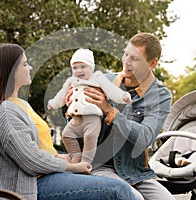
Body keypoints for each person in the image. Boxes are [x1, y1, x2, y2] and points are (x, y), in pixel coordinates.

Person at [0, 43, 136, 200]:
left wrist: (70, 158)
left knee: (119, 186)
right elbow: (31, 161)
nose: (30, 67)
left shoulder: (21, 105)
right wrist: (73, 166)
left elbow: (39, 151)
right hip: (33, 187)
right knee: (118, 190)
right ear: (10, 71)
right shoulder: (6, 112)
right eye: (25, 64)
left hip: (48, 177)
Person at [66, 33, 175, 200]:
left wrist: (109, 111)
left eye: (135, 58)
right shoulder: (101, 81)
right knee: (134, 198)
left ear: (152, 63)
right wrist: (70, 107)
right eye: (126, 54)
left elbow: (144, 137)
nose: (126, 61)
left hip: (134, 171)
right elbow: (78, 124)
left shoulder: (161, 96)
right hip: (98, 165)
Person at [47, 48, 131, 164]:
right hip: (75, 119)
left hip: (92, 118)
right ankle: (75, 156)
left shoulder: (98, 78)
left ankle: (86, 162)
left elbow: (111, 91)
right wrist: (53, 103)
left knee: (90, 138)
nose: (79, 71)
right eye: (75, 68)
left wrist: (123, 96)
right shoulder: (71, 81)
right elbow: (61, 95)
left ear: (91, 67)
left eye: (83, 67)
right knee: (66, 135)